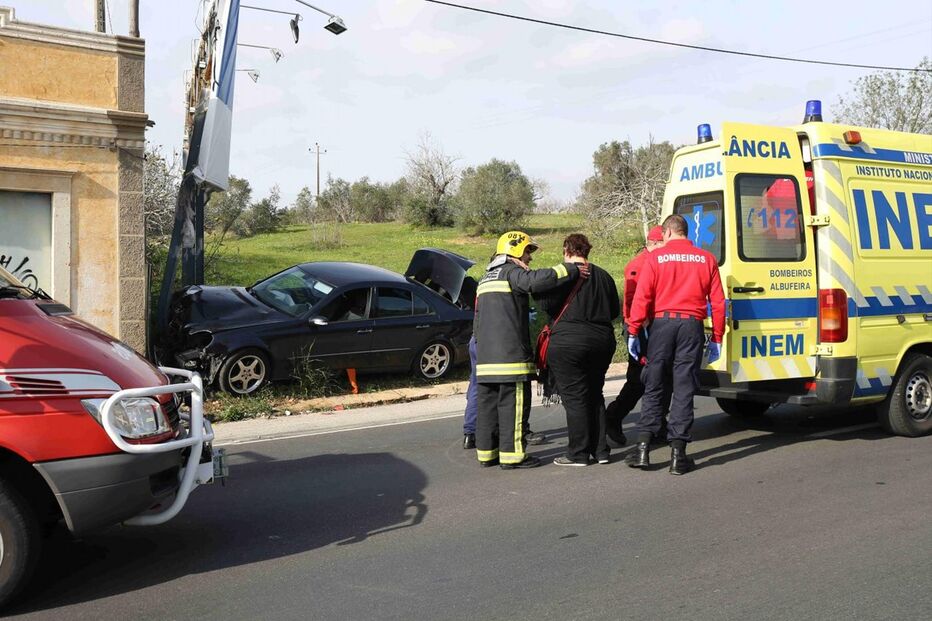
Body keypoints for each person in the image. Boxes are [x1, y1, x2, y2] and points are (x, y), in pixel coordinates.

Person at [474, 231, 585, 470]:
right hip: (509, 360)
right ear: (515, 250)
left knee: (487, 408)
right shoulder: (511, 272)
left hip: (485, 360)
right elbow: (535, 281)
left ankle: (487, 454)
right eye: (527, 252)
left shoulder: (485, 278)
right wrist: (570, 269)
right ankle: (513, 457)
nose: (530, 258)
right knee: (513, 408)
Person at [625, 214, 725, 475]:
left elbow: (642, 297)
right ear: (685, 231)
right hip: (691, 326)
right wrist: (717, 337)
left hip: (662, 325)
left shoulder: (655, 258)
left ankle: (643, 449)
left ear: (668, 232)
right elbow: (718, 302)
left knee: (654, 384)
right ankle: (678, 455)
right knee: (683, 387)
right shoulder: (707, 259)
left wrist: (634, 330)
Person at [536, 234, 619, 466]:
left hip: (568, 342)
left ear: (566, 250)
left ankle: (578, 453)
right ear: (587, 251)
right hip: (602, 340)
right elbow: (614, 310)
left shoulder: (562, 274)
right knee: (595, 393)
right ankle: (601, 451)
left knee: (575, 398)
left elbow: (545, 304)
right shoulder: (604, 276)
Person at [604, 226, 671, 447]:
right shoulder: (639, 265)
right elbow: (633, 301)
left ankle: (658, 424)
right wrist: (638, 328)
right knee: (639, 379)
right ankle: (613, 416)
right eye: (666, 244)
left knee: (662, 377)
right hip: (641, 327)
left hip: (654, 326)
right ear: (655, 243)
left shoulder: (657, 261)